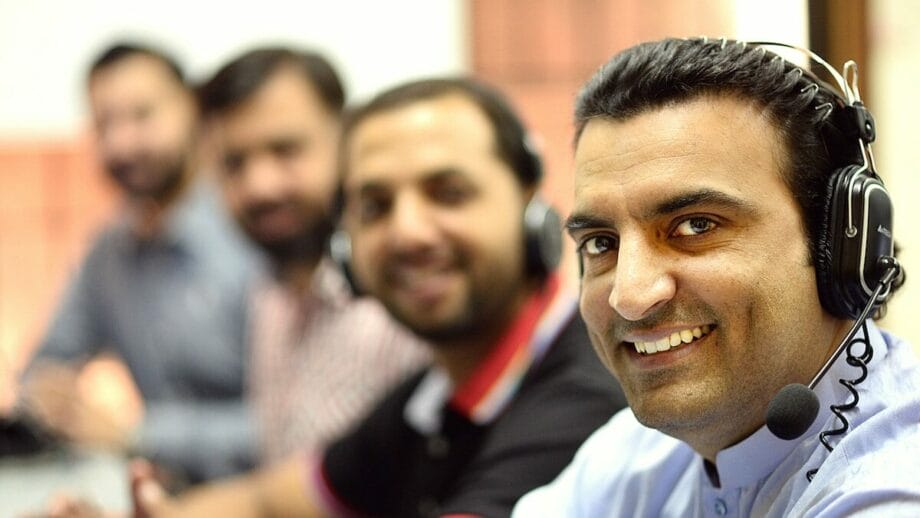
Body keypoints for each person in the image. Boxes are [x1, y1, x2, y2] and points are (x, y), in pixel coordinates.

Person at [130, 77, 627, 518]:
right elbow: (267, 502)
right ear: (346, 247)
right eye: (375, 206)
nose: (407, 233)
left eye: (448, 193)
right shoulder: (428, 399)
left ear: (530, 205)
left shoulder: (589, 394)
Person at [513, 37, 920, 517]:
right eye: (601, 243)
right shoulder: (637, 453)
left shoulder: (890, 490)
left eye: (695, 226)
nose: (630, 294)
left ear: (837, 246)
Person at [18, 42, 260, 483]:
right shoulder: (108, 252)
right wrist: (49, 394)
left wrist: (139, 433)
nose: (121, 142)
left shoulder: (256, 228)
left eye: (142, 116)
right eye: (104, 123)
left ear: (192, 110)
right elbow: (46, 362)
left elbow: (297, 423)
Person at [197, 47, 428, 463]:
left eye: (285, 150)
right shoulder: (268, 295)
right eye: (234, 163)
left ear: (348, 139)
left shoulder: (403, 300)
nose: (260, 186)